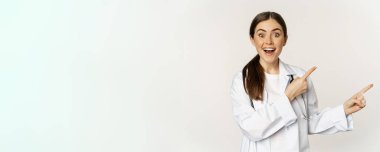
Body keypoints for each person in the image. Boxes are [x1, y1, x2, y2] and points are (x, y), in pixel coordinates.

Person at [230, 11, 373, 152]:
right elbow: (251, 129)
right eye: (261, 35)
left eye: (276, 34)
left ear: (285, 39)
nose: (268, 41)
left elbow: (309, 122)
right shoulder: (241, 80)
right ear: (252, 39)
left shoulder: (300, 77)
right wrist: (288, 96)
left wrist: (343, 110)